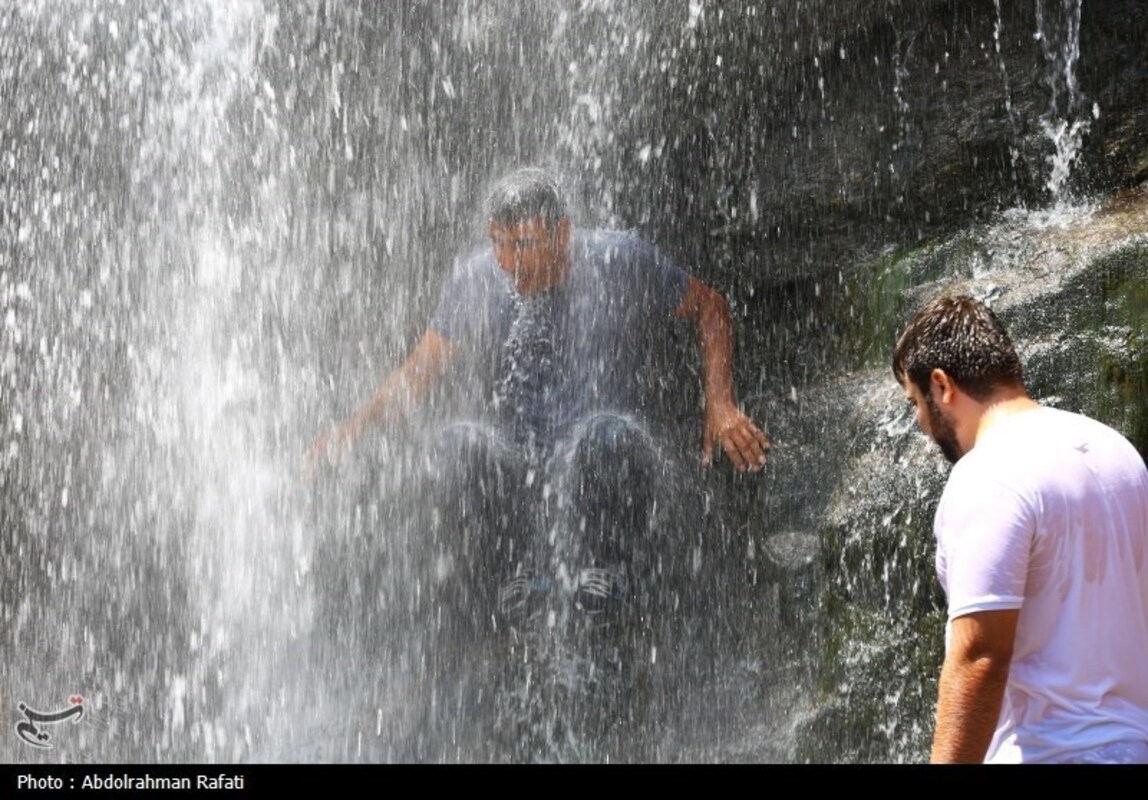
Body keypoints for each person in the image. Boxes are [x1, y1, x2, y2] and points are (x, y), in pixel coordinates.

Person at [310, 167, 769, 626]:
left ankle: (604, 570)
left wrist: (720, 402)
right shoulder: (476, 280)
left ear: (563, 234)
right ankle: (517, 572)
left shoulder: (619, 259)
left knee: (604, 436)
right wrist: (353, 428)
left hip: (604, 467)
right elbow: (418, 373)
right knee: (456, 444)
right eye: (498, 244)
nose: (509, 262)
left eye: (524, 244)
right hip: (523, 474)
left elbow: (711, 307)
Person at [892, 294, 1148, 764]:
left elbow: (979, 657)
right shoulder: (1117, 452)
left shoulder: (987, 474)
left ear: (942, 385)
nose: (920, 422)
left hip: (1048, 752)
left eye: (915, 402)